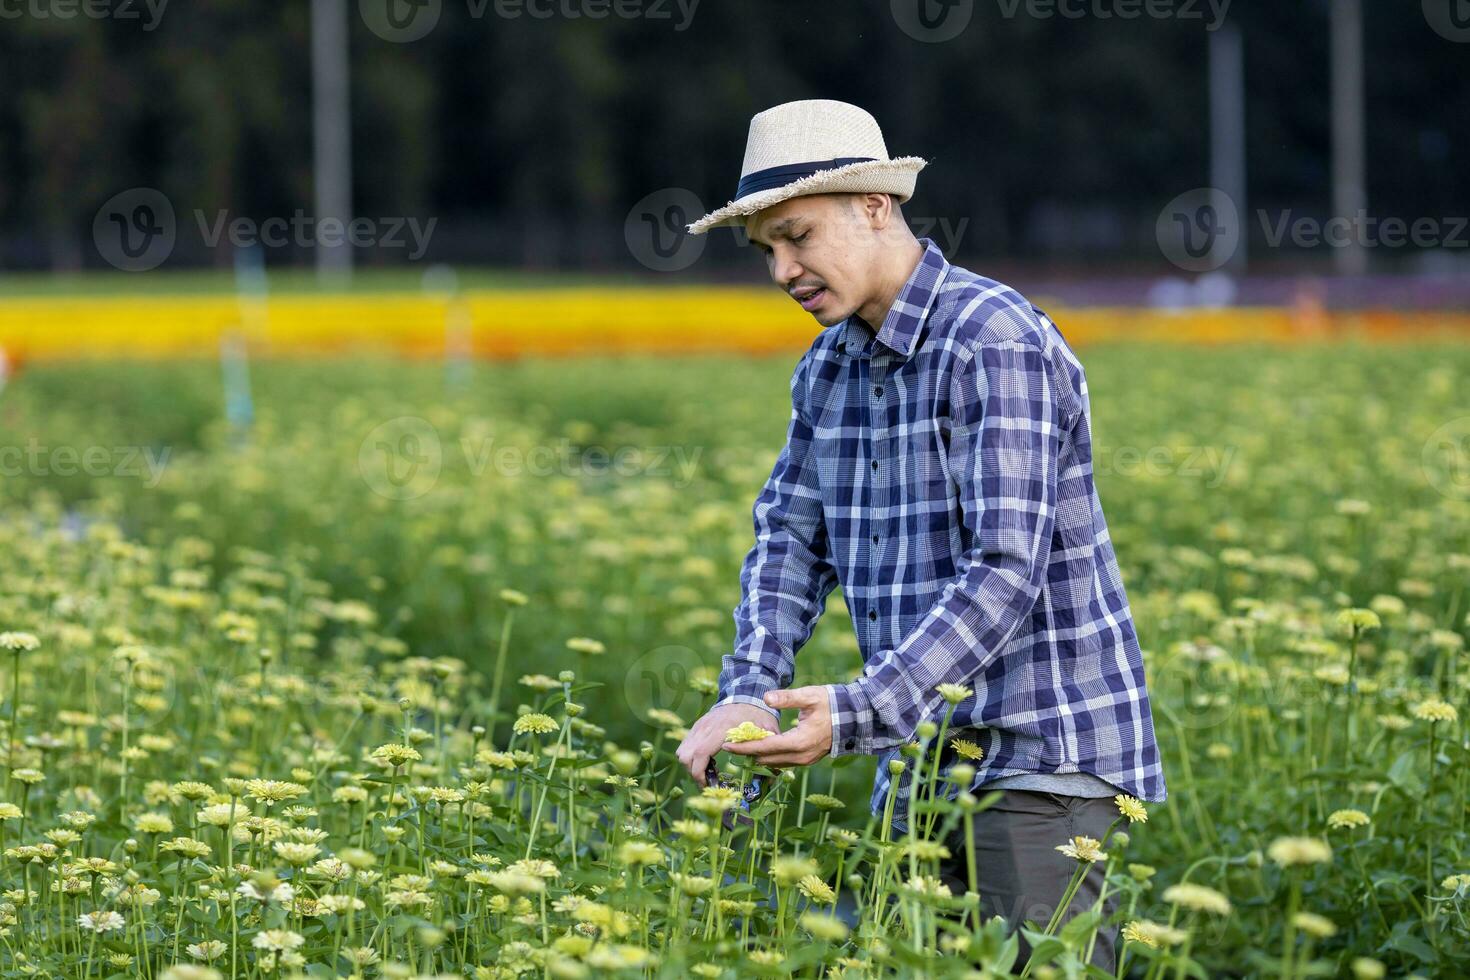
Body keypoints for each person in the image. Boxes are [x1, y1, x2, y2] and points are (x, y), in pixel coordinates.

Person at [672, 98, 1166, 970]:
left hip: (1036, 758)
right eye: (768, 251)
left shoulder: (992, 341)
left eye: (798, 236)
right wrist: (750, 688)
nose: (783, 271)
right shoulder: (830, 365)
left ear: (875, 205)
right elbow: (789, 537)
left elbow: (1005, 569)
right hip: (922, 761)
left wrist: (859, 712)